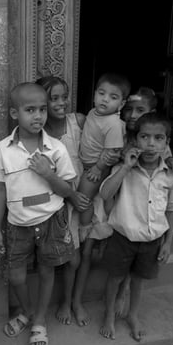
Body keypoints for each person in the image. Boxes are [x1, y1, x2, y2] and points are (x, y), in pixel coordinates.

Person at [0, 82, 77, 345]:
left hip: (50, 220)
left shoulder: (56, 149)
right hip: (17, 224)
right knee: (17, 276)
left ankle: (39, 320)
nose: (38, 116)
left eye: (42, 109)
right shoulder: (3, 149)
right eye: (30, 110)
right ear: (15, 113)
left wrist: (48, 173)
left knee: (46, 271)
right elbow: (0, 188)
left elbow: (68, 191)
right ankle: (27, 312)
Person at [97, 112, 173, 342]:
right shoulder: (124, 169)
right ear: (135, 140)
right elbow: (105, 193)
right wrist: (125, 167)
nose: (151, 144)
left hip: (152, 241)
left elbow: (172, 209)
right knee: (114, 278)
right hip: (122, 238)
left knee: (138, 281)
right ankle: (109, 316)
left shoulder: (171, 175)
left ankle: (133, 315)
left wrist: (168, 243)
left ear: (167, 144)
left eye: (158, 138)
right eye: (145, 137)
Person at [112, 87, 173, 318]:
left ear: (151, 112)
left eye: (140, 110)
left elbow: (165, 156)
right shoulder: (116, 129)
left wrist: (172, 159)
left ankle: (125, 292)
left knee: (135, 272)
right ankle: (119, 288)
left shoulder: (154, 137)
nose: (133, 115)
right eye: (129, 110)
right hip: (120, 196)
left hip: (147, 210)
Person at [35, 76, 91, 327]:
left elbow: (111, 140)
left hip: (83, 196)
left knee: (78, 257)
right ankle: (59, 303)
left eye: (64, 96)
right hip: (58, 200)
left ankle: (69, 301)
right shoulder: (37, 131)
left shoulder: (78, 121)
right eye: (53, 98)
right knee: (63, 257)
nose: (61, 103)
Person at [77, 73, 129, 242]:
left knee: (83, 197)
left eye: (112, 97)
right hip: (85, 163)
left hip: (95, 167)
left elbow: (112, 151)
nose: (105, 100)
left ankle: (85, 226)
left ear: (121, 104)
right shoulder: (93, 112)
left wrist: (98, 168)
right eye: (101, 93)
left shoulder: (113, 124)